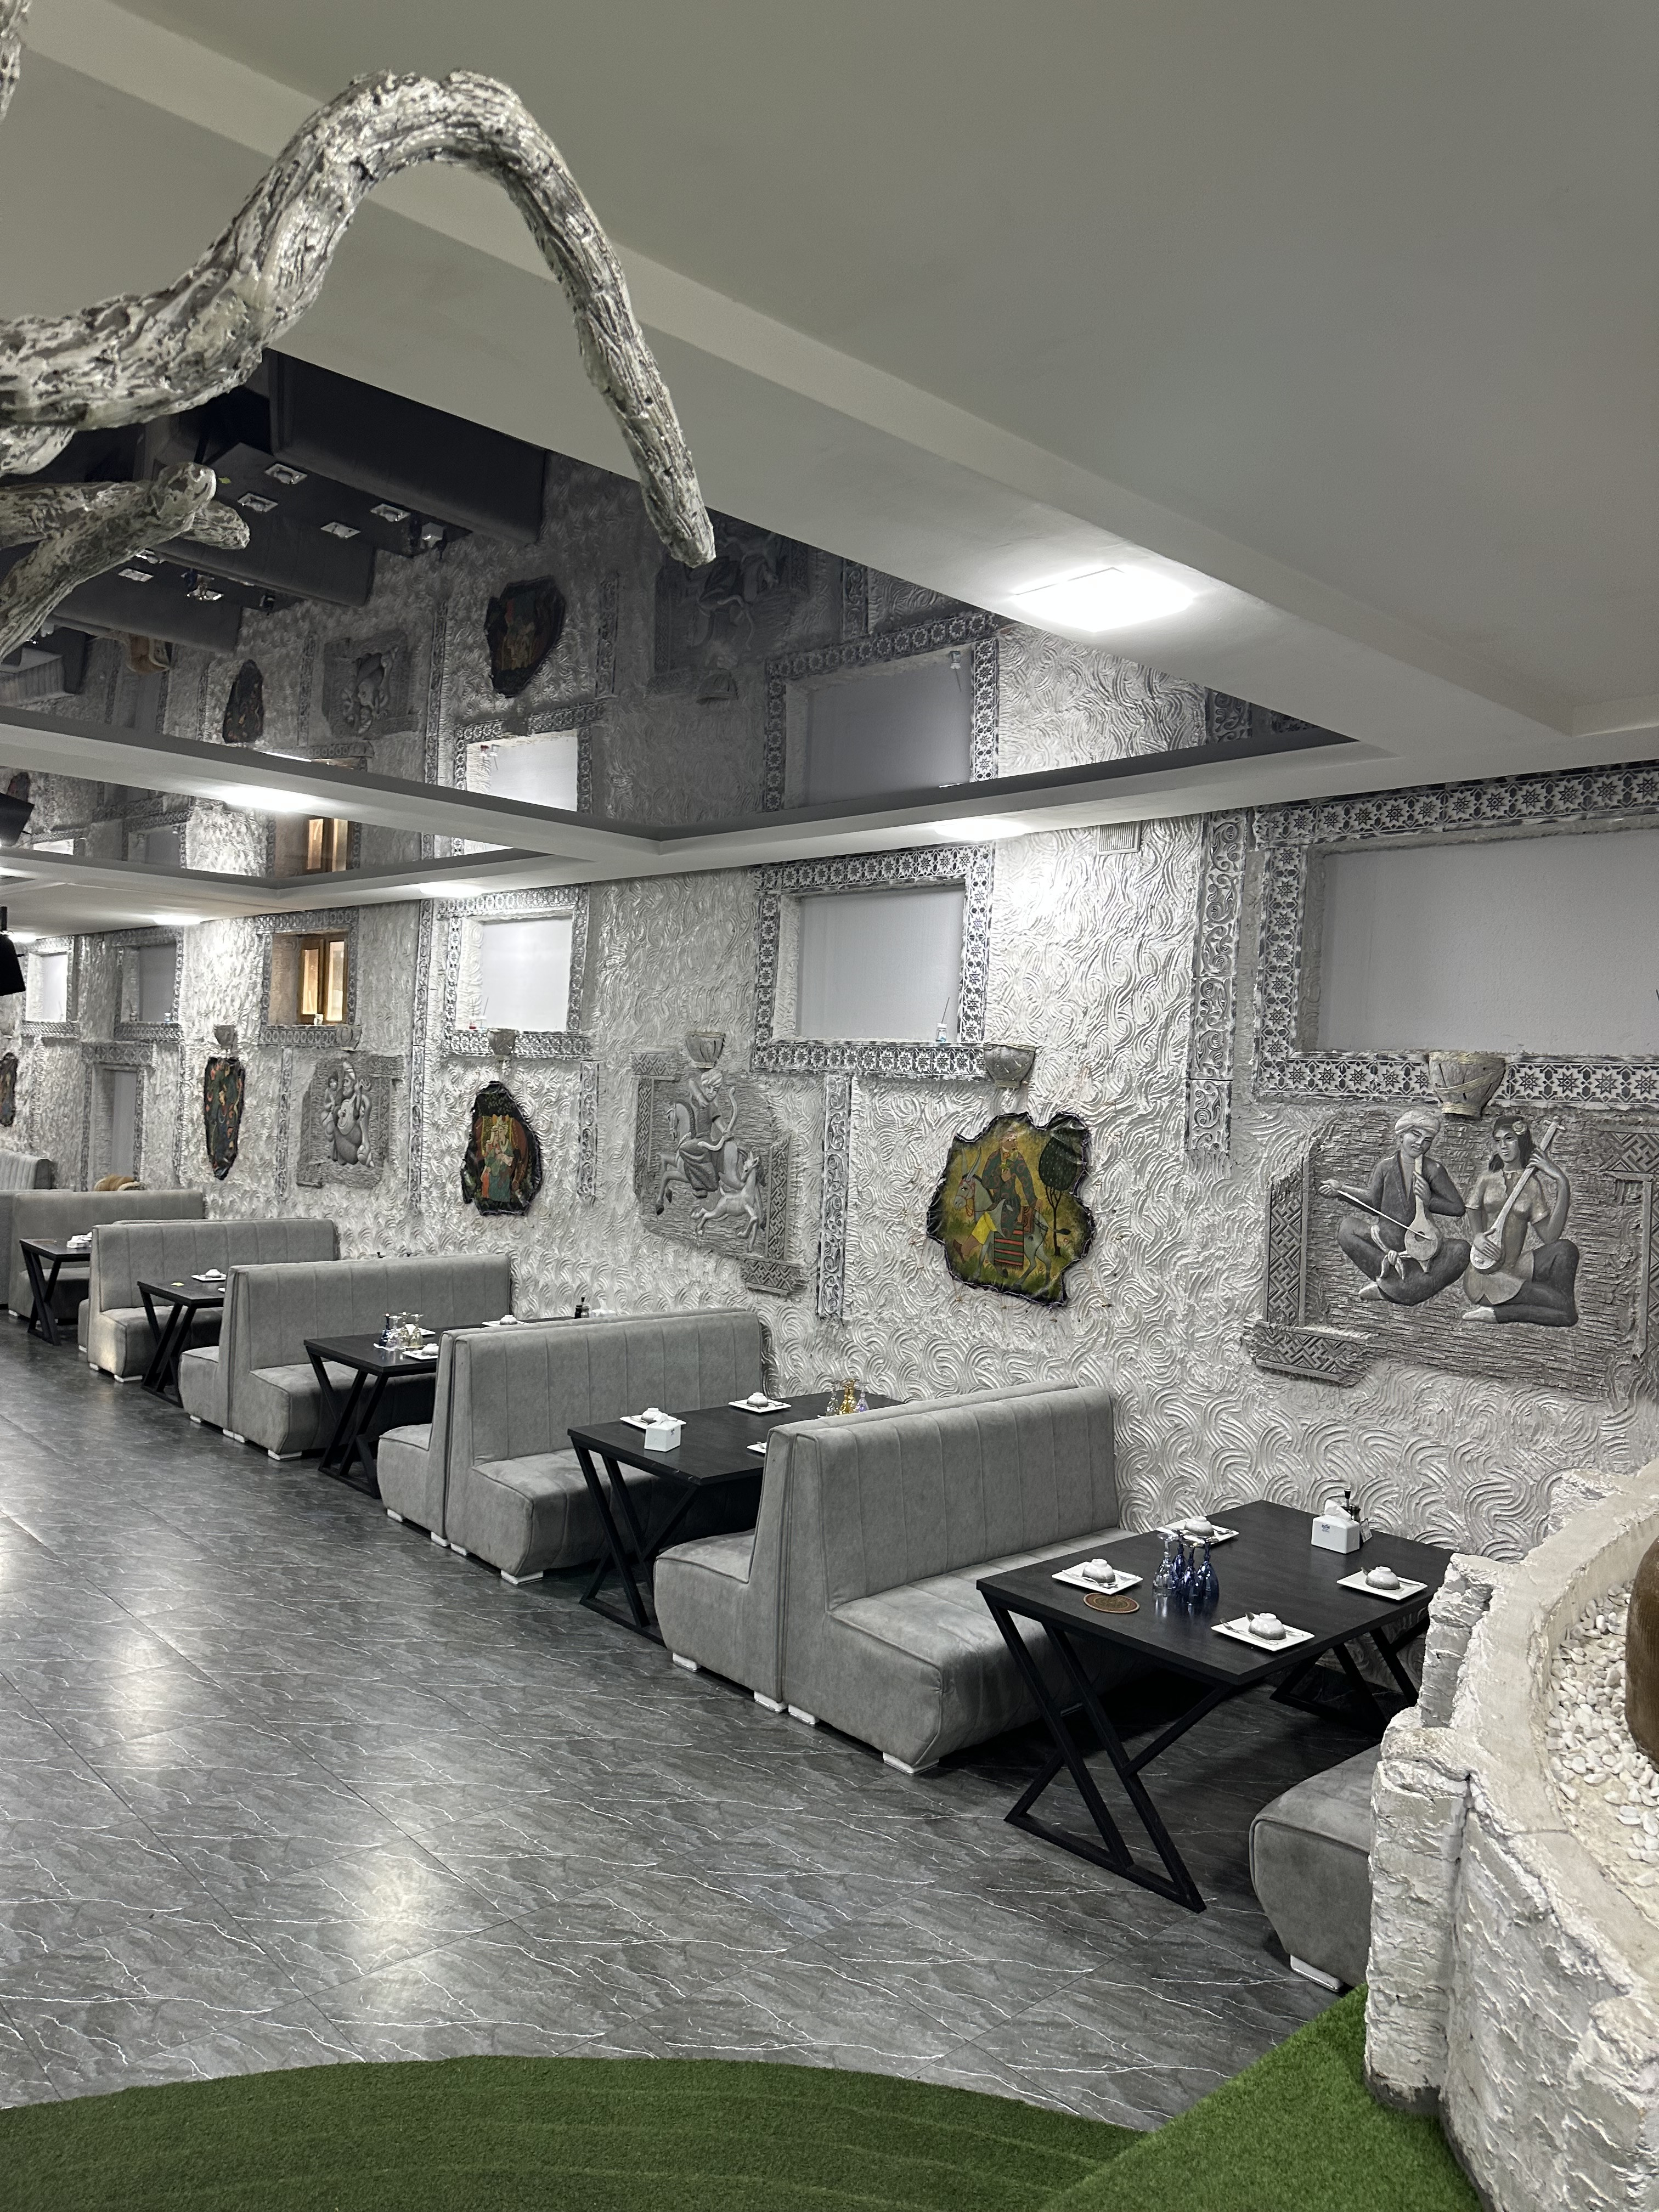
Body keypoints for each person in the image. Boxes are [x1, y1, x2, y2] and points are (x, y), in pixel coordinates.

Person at [1323, 1106, 1469, 1306]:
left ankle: (1393, 1288)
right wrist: (1342, 1190)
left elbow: (1457, 1208)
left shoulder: (1433, 1170)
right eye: (1415, 1135)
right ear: (1401, 1136)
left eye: (1427, 1140)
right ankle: (1395, 1281)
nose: (1420, 1143)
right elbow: (1374, 1203)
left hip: (1422, 1246)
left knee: (1462, 1250)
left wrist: (1428, 1200)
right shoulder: (1385, 1167)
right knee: (1347, 1228)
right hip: (1385, 1242)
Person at [1462, 1115, 1578, 1326]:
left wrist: (1561, 1181)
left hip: (1517, 1267)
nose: (1503, 1146)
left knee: (1566, 1249)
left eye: (1509, 1139)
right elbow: (1472, 1209)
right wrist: (1477, 1236)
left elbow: (1550, 1237)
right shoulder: (1487, 1179)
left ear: (1521, 1142)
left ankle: (1499, 1314)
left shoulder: (1532, 1185)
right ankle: (1558, 1304)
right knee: (1566, 1312)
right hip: (1487, 1272)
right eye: (1498, 1141)